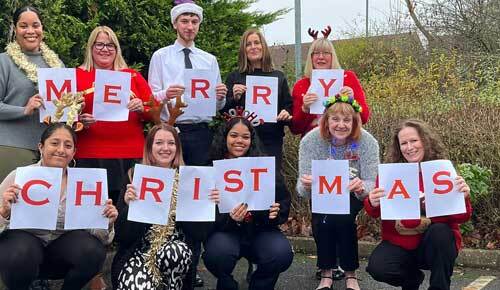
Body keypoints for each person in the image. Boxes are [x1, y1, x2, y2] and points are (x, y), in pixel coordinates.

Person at [148, 1, 227, 286]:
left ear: (199, 25)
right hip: (172, 133)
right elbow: (151, 96)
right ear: (175, 24)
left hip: (202, 134)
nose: (189, 26)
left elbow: (217, 106)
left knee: (197, 201)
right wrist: (165, 93)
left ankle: (191, 269)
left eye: (194, 21)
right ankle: (164, 263)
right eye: (184, 21)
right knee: (170, 199)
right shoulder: (161, 56)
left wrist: (220, 95)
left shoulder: (209, 59)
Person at [0, 123, 117, 290]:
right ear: (41, 147)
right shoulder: (19, 176)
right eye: (54, 143)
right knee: (20, 252)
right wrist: (4, 212)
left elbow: (101, 238)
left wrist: (107, 221)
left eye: (68, 146)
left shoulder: (86, 183)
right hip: (22, 251)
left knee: (93, 250)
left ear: (74, 152)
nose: (61, 150)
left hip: (61, 251)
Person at [365, 119, 473, 290]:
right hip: (400, 241)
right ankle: (412, 278)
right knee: (378, 268)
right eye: (404, 143)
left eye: (414, 141)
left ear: (425, 140)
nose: (409, 147)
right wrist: (372, 201)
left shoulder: (442, 170)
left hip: (435, 244)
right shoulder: (391, 173)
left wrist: (463, 197)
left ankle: (440, 287)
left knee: (441, 232)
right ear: (398, 147)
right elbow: (374, 212)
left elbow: (462, 216)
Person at [112, 123, 219, 290]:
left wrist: (206, 206)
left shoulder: (192, 179)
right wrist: (127, 207)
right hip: (139, 251)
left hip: (177, 251)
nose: (165, 148)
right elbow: (121, 235)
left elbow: (201, 234)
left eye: (171, 143)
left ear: (177, 148)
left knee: (175, 251)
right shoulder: (134, 176)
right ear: (149, 147)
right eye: (159, 142)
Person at [297, 94, 379, 290]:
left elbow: (371, 182)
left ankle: (350, 273)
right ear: (326, 121)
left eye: (346, 120)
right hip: (323, 193)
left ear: (354, 122)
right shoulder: (310, 141)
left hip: (352, 193)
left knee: (343, 218)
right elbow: (301, 188)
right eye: (335, 119)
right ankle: (327, 272)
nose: (341, 125)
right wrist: (306, 185)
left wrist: (361, 187)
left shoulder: (367, 142)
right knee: (322, 219)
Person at [203, 114, 293, 290]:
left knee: (280, 253)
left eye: (245, 137)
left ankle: (260, 285)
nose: (240, 141)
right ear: (225, 137)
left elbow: (283, 199)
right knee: (217, 255)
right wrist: (228, 217)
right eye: (234, 135)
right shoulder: (211, 168)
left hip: (260, 230)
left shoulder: (264, 167)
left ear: (252, 140)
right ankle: (227, 284)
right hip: (226, 232)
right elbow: (204, 214)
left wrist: (275, 211)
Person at [76, 25, 154, 203]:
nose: (105, 49)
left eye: (110, 45)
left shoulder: (132, 75)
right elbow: (62, 114)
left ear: (117, 49)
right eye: (99, 44)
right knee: (90, 210)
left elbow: (155, 112)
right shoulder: (77, 75)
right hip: (89, 153)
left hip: (128, 153)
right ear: (91, 47)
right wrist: (79, 120)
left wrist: (142, 108)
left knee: (126, 209)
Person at [0, 6, 64, 180]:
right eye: (23, 26)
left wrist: (76, 111)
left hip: (49, 152)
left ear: (42, 28)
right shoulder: (3, 61)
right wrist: (23, 110)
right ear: (15, 29)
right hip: (12, 147)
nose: (30, 31)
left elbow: (63, 106)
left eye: (35, 25)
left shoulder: (56, 64)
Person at [223, 28, 293, 173]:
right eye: (248, 44)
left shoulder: (278, 76)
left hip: (271, 141)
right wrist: (235, 98)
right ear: (244, 49)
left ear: (263, 47)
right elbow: (223, 111)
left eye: (257, 43)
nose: (253, 47)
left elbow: (288, 105)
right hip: (242, 143)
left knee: (270, 186)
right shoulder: (234, 77)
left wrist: (286, 113)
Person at [290, 29, 370, 137]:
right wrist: (305, 109)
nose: (321, 57)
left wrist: (352, 101)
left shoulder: (348, 78)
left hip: (345, 142)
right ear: (311, 57)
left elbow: (364, 117)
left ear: (332, 56)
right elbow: (295, 128)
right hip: (314, 144)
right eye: (316, 53)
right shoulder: (301, 85)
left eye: (326, 53)